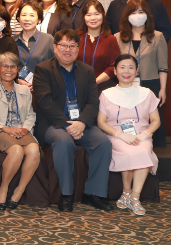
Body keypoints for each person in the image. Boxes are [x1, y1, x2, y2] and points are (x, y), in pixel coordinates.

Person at [32, 29, 113, 212]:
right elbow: (45, 102)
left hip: (81, 123)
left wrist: (82, 123)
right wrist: (66, 126)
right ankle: (66, 194)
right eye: (63, 45)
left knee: (103, 142)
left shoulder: (87, 71)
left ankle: (94, 193)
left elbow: (93, 102)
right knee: (64, 142)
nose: (67, 50)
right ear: (55, 47)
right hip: (54, 124)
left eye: (72, 46)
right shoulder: (43, 69)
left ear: (78, 49)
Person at [97, 54, 161, 216]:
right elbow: (101, 122)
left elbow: (155, 121)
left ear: (137, 70)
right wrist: (120, 135)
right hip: (116, 135)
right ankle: (126, 191)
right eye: (122, 67)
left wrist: (144, 134)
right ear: (115, 71)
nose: (127, 71)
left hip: (141, 136)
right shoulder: (106, 94)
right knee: (127, 149)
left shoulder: (147, 93)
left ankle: (134, 196)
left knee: (143, 150)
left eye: (131, 67)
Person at [0, 52, 39, 210]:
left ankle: (19, 192)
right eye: (5, 66)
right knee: (17, 151)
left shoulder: (24, 90)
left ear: (17, 70)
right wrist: (7, 129)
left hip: (21, 131)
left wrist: (25, 128)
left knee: (34, 150)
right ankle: (3, 189)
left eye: (13, 66)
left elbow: (31, 114)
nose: (9, 69)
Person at [114, 0, 169, 148]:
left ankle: (150, 150)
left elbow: (163, 66)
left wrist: (162, 89)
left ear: (148, 15)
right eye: (133, 12)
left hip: (150, 84)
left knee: (150, 120)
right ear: (127, 16)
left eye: (141, 11)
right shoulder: (118, 37)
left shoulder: (157, 36)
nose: (137, 15)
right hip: (125, 85)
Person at [78, 0, 119, 94]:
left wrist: (94, 82)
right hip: (78, 85)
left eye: (96, 14)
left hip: (104, 87)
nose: (93, 18)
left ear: (103, 15)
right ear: (83, 17)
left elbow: (113, 67)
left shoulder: (111, 39)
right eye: (88, 15)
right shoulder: (76, 37)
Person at [14, 2, 55, 87]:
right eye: (24, 15)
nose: (27, 19)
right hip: (17, 90)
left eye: (32, 15)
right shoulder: (12, 41)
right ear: (18, 18)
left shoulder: (48, 40)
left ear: (39, 20)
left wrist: (39, 83)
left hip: (43, 89)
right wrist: (17, 80)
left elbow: (55, 68)